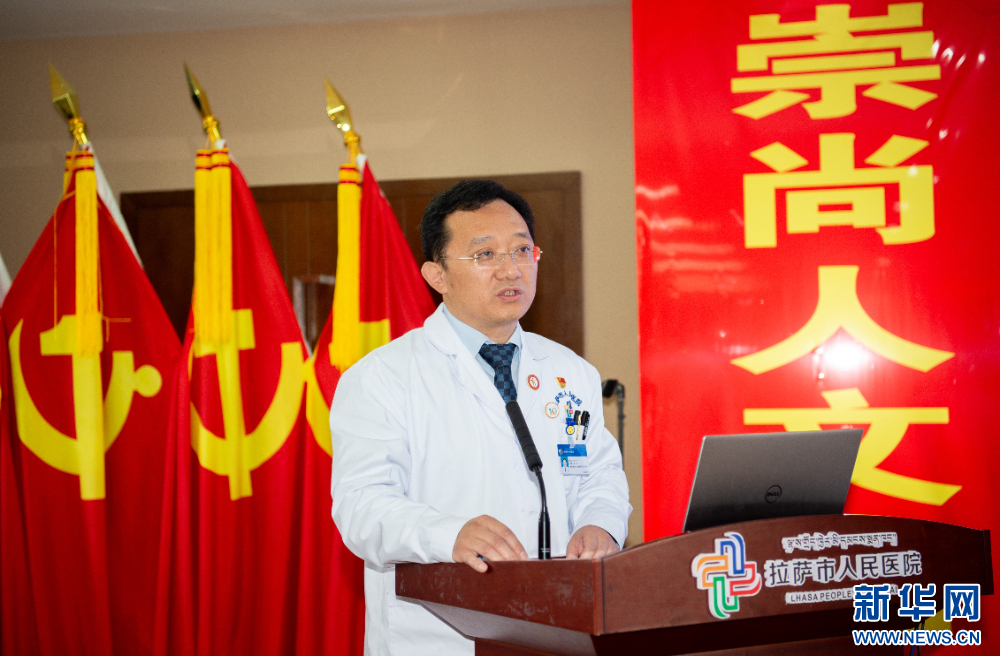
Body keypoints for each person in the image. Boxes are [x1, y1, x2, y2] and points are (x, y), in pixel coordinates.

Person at [329, 180, 631, 656]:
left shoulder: (571, 372)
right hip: (439, 637)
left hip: (558, 626)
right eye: (484, 254)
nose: (511, 269)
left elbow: (599, 473)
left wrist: (602, 524)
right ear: (437, 275)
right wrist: (448, 534)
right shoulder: (381, 377)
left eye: (522, 250)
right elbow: (361, 508)